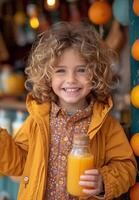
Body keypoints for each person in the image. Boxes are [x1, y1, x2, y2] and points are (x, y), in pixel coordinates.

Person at [0, 21, 137, 200]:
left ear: (95, 74)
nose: (71, 79)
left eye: (81, 70)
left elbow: (126, 166)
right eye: (61, 71)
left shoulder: (106, 125)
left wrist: (103, 181)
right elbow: (18, 164)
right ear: (47, 76)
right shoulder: (37, 120)